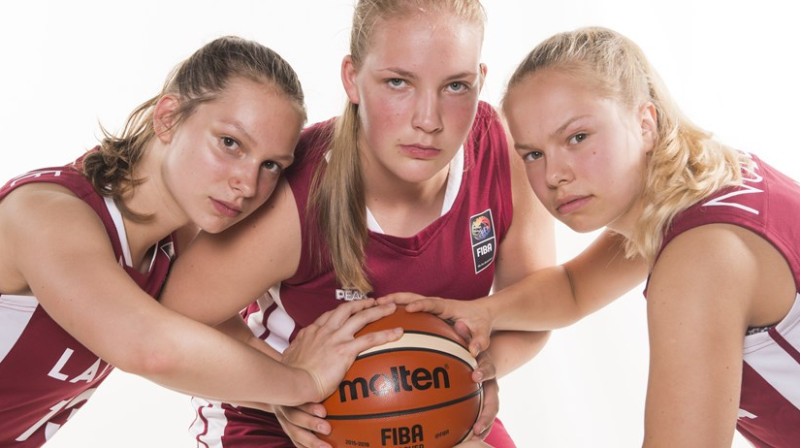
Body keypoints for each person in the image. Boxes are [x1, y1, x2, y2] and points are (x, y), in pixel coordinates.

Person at [159, 1, 556, 447]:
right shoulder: (301, 191)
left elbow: (536, 307)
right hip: (282, 417)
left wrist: (477, 376)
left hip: (432, 401)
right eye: (398, 82)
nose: (428, 120)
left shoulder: (507, 151)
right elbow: (177, 318)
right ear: (352, 78)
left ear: (480, 80)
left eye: (456, 86)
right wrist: (284, 392)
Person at [384, 26, 800, 447]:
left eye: (577, 137)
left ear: (645, 123)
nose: (554, 175)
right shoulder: (702, 184)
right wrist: (484, 314)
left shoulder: (702, 256)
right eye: (533, 154)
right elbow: (572, 289)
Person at [0, 35, 404, 447]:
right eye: (230, 143)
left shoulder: (175, 239)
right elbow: (148, 348)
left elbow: (210, 336)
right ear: (168, 118)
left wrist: (298, 397)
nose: (247, 183)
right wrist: (301, 382)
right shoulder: (46, 215)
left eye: (270, 165)